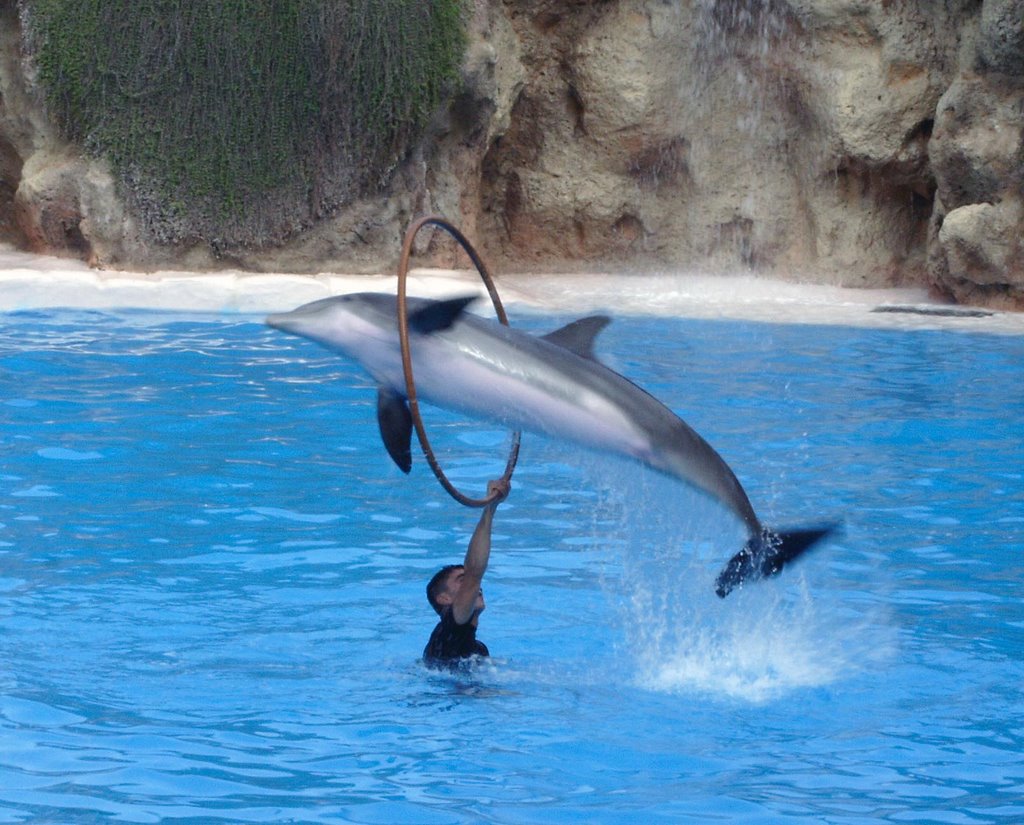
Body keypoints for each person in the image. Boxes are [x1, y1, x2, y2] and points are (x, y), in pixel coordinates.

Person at [423, 478, 510, 668]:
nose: (476, 588)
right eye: (461, 581)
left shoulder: (477, 649)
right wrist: (490, 508)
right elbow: (474, 574)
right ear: (444, 598)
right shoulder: (450, 631)